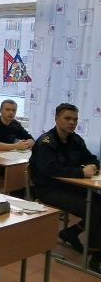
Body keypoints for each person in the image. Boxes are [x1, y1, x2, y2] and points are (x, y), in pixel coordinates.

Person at [29, 103, 101, 272]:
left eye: (75, 119)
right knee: (95, 210)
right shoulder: (46, 142)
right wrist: (81, 172)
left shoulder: (75, 139)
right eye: (67, 118)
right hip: (48, 189)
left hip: (69, 186)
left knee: (99, 205)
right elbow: (50, 170)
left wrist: (93, 166)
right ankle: (96, 257)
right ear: (56, 119)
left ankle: (71, 232)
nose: (72, 123)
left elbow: (92, 158)